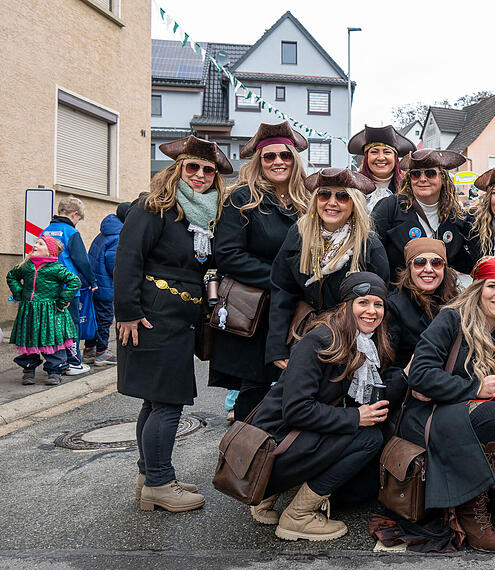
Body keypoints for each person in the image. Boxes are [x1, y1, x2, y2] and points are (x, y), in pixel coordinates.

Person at [114, 135, 231, 513]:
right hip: (151, 318)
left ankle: (149, 475)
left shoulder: (204, 215)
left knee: (156, 400)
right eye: (192, 167)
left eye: (207, 170)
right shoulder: (153, 207)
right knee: (167, 403)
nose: (199, 175)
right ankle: (160, 484)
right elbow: (128, 260)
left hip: (178, 320)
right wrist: (128, 311)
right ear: (177, 169)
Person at [401, 256, 495, 552]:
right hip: (432, 418)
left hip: (474, 426)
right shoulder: (451, 318)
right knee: (489, 412)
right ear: (478, 288)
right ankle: (471, 512)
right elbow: (421, 375)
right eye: (492, 286)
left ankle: (460, 491)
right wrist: (477, 387)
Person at [249, 272, 400, 540]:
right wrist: (355, 418)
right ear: (346, 306)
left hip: (288, 439)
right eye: (363, 302)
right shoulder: (317, 341)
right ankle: (298, 515)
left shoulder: (363, 342)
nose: (372, 311)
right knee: (368, 439)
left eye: (378, 304)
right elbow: (296, 410)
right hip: (273, 444)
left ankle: (267, 494)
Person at [209, 122, 311, 421]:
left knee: (298, 389)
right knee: (254, 393)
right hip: (256, 311)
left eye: (285, 156)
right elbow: (228, 255)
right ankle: (244, 459)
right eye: (270, 157)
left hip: (296, 310)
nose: (278, 162)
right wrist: (283, 281)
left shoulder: (308, 202)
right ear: (259, 161)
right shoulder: (241, 199)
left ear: (294, 160)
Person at [266, 168, 389, 369]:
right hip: (305, 338)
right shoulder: (299, 235)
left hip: (351, 343)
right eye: (325, 194)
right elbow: (283, 292)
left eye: (342, 196)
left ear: (354, 203)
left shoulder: (369, 245)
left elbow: (380, 304)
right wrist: (277, 346)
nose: (332, 202)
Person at [371, 149, 476, 277]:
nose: (422, 179)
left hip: (438, 294)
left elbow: (460, 259)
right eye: (416, 174)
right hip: (396, 293)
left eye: (430, 173)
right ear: (409, 180)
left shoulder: (453, 216)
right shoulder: (390, 208)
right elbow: (370, 253)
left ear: (443, 178)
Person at [7, 235, 80, 386]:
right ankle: (28, 370)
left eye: (40, 244)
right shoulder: (26, 266)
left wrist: (62, 301)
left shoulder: (56, 268)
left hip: (50, 311)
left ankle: (55, 371)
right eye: (36, 243)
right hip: (29, 310)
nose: (35, 246)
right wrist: (18, 293)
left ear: (50, 252)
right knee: (29, 339)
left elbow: (74, 281)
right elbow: (11, 276)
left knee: (51, 340)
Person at [386, 237, 459, 371]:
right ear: (409, 268)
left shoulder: (456, 303)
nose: (428, 269)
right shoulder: (393, 307)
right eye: (420, 262)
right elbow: (388, 366)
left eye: (436, 263)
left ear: (444, 268)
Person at [41, 195, 96, 375]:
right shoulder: (71, 233)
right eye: (79, 219)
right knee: (72, 324)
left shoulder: (46, 231)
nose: (78, 222)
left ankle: (58, 362)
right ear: (74, 214)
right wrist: (91, 281)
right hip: (68, 287)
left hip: (48, 289)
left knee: (53, 325)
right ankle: (73, 362)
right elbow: (82, 261)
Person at [84, 206, 124, 366]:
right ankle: (101, 352)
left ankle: (89, 350)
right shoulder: (118, 236)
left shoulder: (104, 233)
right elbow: (114, 265)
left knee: (94, 318)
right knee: (104, 319)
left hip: (94, 283)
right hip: (105, 287)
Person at [347, 124, 416, 213]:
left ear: (395, 158)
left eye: (387, 152)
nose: (380, 157)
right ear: (366, 158)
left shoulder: (408, 185)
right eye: (374, 152)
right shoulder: (353, 184)